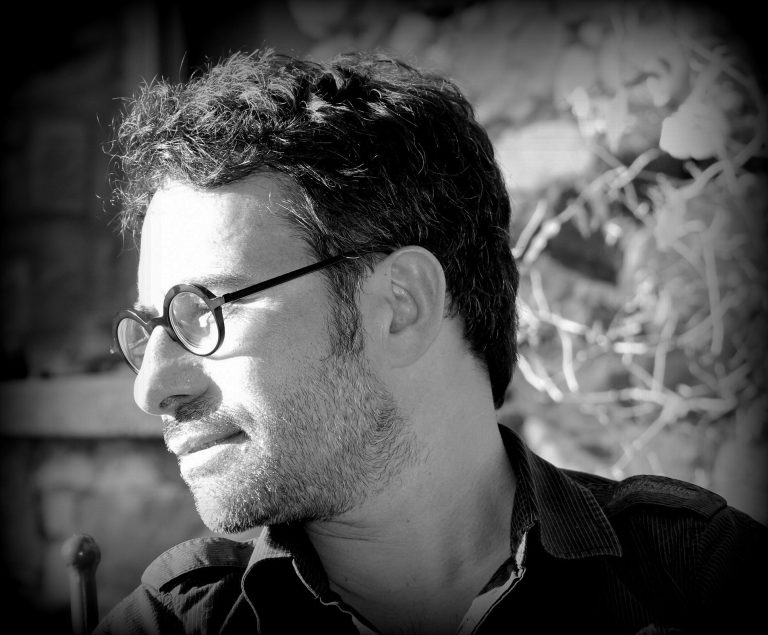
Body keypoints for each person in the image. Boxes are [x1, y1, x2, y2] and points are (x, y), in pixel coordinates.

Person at [97, 48, 767, 635]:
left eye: (204, 311)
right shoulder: (176, 622)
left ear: (402, 305)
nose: (151, 388)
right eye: (148, 331)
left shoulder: (702, 581)